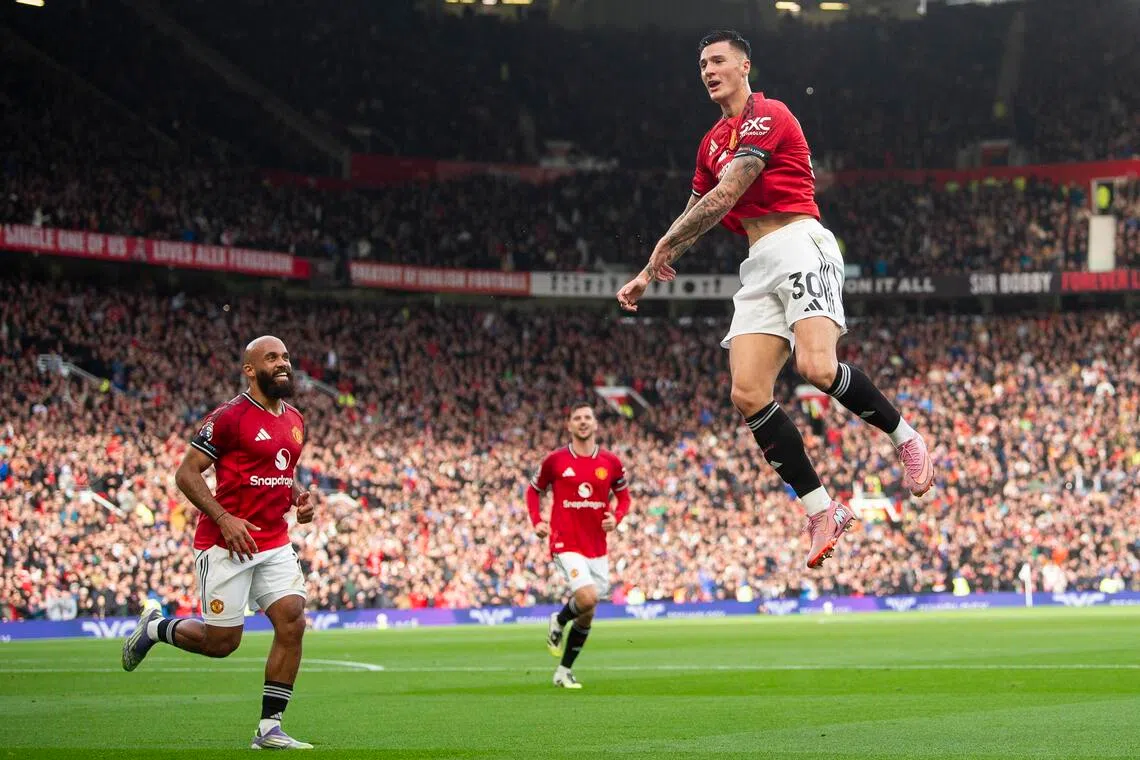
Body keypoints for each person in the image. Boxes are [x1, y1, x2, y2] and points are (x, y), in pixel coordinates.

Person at [615, 30, 934, 569]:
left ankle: (906, 437)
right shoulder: (709, 143)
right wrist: (651, 270)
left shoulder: (770, 115)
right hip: (758, 260)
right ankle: (821, 510)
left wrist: (660, 248)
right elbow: (696, 209)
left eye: (718, 61)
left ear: (745, 67)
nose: (708, 70)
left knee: (816, 366)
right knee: (746, 392)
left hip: (800, 242)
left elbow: (724, 195)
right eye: (702, 65)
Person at [121, 335, 317, 750]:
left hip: (273, 541)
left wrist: (298, 498)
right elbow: (187, 474)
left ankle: (269, 730)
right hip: (225, 542)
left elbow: (279, 475)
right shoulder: (229, 417)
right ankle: (156, 628)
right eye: (272, 358)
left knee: (292, 620)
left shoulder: (295, 419)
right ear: (250, 369)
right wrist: (224, 518)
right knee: (222, 643)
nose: (282, 363)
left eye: (285, 356)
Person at [526, 402, 631, 689]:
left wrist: (616, 517)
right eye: (577, 418)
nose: (583, 422)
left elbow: (624, 498)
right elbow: (533, 491)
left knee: (588, 612)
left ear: (596, 424)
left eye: (588, 418)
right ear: (569, 425)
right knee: (586, 598)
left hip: (597, 545)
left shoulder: (610, 462)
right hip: (565, 541)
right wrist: (537, 521)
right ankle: (558, 621)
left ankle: (563, 671)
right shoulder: (555, 460)